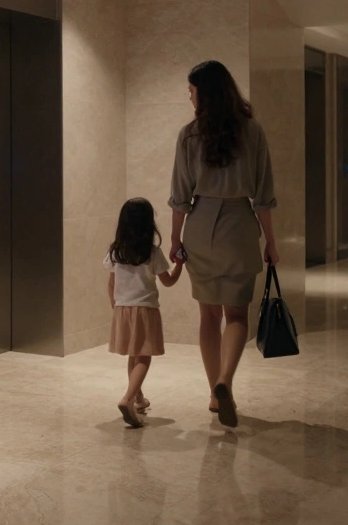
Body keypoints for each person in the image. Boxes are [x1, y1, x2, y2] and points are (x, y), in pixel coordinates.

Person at [168, 60, 277, 429]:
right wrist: (272, 242)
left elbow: (179, 196)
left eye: (192, 89)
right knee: (237, 315)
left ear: (204, 93)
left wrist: (175, 238)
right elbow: (263, 196)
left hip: (200, 224)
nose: (189, 95)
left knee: (208, 315)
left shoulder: (188, 134)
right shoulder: (252, 131)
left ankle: (214, 396)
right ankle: (224, 381)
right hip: (239, 225)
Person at [105, 198, 182, 428]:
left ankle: (138, 398)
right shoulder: (152, 253)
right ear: (149, 225)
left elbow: (111, 283)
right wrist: (180, 265)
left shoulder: (116, 252)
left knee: (132, 354)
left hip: (122, 308)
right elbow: (168, 282)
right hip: (145, 309)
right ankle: (127, 399)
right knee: (144, 356)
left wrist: (116, 306)